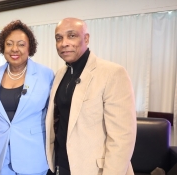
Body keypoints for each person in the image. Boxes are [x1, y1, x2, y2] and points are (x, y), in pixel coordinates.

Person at [45, 18, 136, 175]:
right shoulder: (60, 74)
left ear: (86, 38)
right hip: (60, 164)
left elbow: (122, 139)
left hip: (93, 170)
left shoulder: (112, 73)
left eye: (71, 35)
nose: (64, 43)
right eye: (59, 38)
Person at [0, 20, 54, 175]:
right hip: (2, 151)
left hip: (33, 152)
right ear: (3, 47)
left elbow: (53, 113)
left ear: (30, 48)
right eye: (9, 44)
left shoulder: (45, 75)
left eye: (21, 44)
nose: (14, 49)